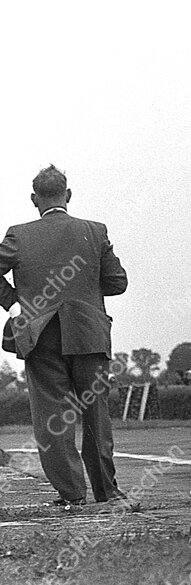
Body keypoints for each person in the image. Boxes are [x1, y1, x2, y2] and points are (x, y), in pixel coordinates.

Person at [0, 165, 128, 507]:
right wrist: (82, 289)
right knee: (96, 415)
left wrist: (14, 304)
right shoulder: (95, 231)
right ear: (68, 196)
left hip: (39, 337)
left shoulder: (17, 235)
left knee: (52, 419)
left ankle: (72, 494)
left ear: (33, 199)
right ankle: (107, 492)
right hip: (88, 334)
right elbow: (118, 282)